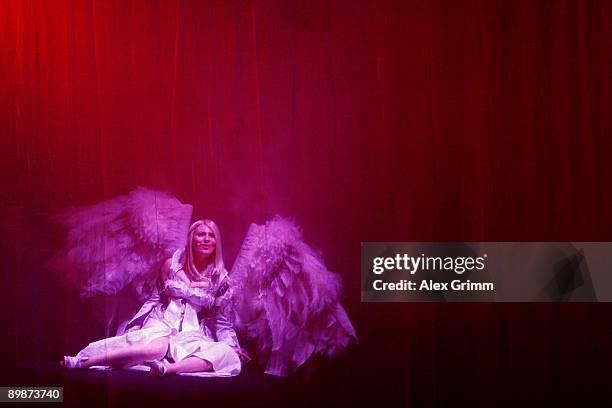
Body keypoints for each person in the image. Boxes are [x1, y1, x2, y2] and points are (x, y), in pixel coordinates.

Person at [62, 219, 247, 377]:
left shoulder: (221, 280)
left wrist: (232, 345)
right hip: (161, 322)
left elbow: (223, 322)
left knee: (227, 354)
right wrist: (137, 322)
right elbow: (154, 298)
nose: (207, 239)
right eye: (201, 234)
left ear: (217, 242)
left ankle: (167, 369)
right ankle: (85, 361)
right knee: (156, 349)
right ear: (192, 239)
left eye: (211, 235)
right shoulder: (172, 265)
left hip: (191, 332)